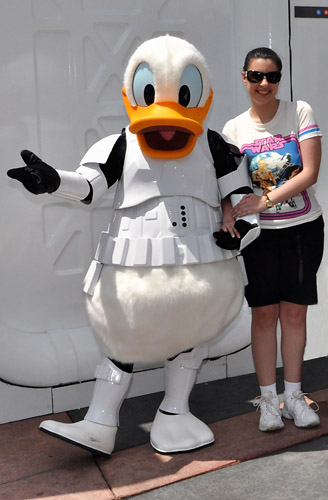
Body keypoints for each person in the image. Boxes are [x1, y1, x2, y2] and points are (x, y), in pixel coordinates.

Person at [222, 46, 324, 431]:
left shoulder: (299, 112)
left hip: (303, 229)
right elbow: (227, 183)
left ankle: (295, 397)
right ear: (244, 77)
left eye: (272, 76)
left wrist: (262, 199)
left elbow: (310, 172)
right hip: (259, 237)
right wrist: (226, 214)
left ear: (280, 78)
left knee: (294, 312)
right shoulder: (233, 129)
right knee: (264, 315)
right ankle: (268, 401)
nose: (264, 84)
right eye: (256, 76)